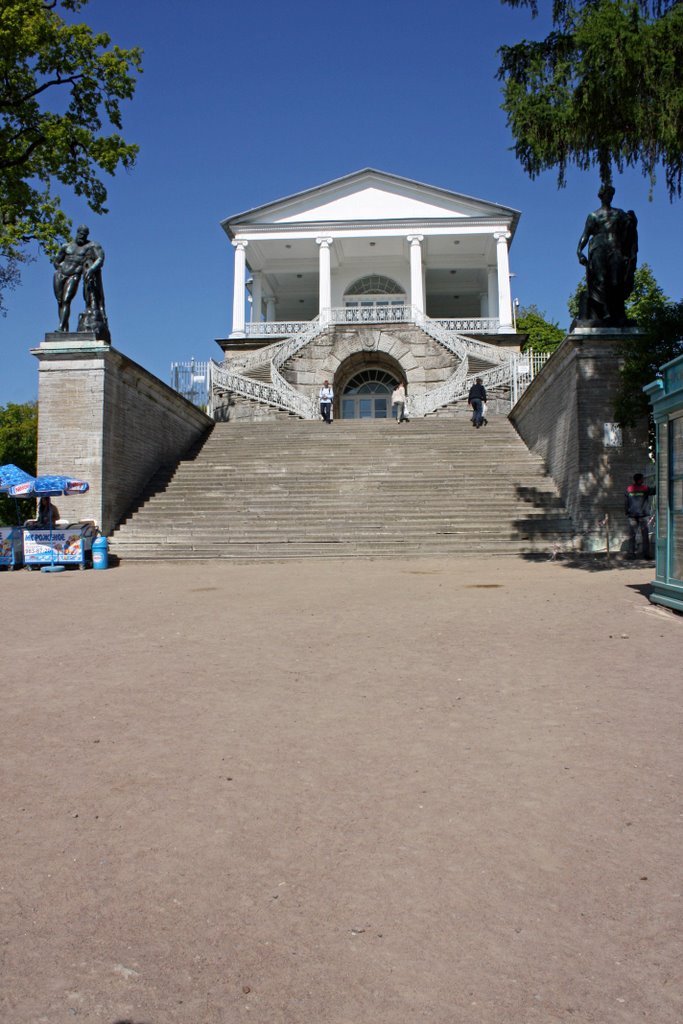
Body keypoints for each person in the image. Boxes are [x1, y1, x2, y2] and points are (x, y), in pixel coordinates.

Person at [576, 184, 638, 325]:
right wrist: (579, 252)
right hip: (598, 249)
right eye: (606, 194)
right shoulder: (594, 216)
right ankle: (605, 312)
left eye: (611, 195)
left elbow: (628, 229)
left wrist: (633, 220)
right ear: (601, 196)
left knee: (616, 282)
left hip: (615, 249)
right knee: (601, 280)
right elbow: (585, 235)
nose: (609, 197)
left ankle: (617, 313)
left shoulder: (619, 213)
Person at [624, 473, 655, 560]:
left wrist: (626, 512)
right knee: (645, 536)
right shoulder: (645, 488)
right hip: (642, 515)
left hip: (632, 515)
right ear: (639, 480)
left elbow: (626, 502)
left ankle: (631, 555)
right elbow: (655, 491)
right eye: (642, 479)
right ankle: (646, 555)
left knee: (632, 535)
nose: (643, 480)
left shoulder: (629, 489)